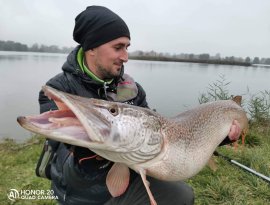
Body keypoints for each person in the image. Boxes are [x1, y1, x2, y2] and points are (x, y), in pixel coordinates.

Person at [37, 6, 241, 205]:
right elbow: (65, 154)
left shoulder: (132, 88)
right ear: (91, 47)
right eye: (118, 47)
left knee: (181, 195)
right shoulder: (58, 89)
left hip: (127, 171)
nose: (125, 56)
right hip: (80, 193)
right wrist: (94, 149)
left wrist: (218, 136)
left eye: (126, 47)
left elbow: (157, 130)